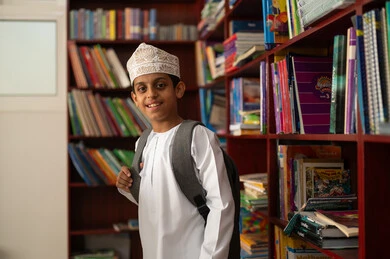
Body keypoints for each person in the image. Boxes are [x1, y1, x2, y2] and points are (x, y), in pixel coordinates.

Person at [116, 42, 234, 259]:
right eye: (142, 88)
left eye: (160, 85)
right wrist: (126, 186)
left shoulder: (198, 137)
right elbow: (156, 200)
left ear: (178, 89)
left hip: (194, 251)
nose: (151, 94)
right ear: (135, 99)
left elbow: (221, 205)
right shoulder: (142, 142)